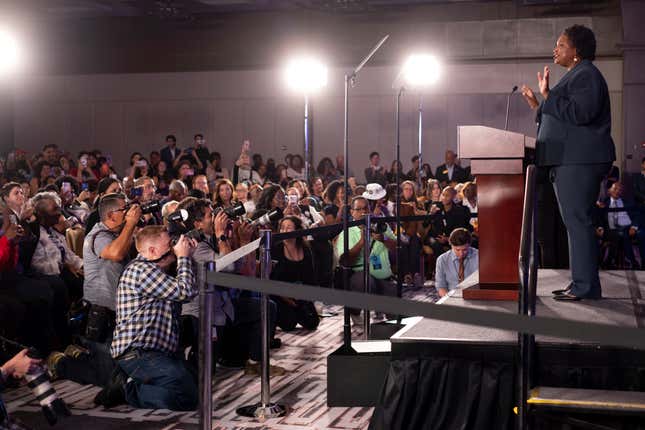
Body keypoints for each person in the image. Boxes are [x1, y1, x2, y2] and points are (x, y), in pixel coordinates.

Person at [521, 24, 615, 301]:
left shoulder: (586, 75)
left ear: (576, 51)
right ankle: (579, 283)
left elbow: (581, 113)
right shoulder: (577, 75)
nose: (556, 49)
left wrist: (548, 96)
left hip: (579, 160)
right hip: (570, 159)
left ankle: (586, 286)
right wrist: (537, 106)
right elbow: (563, 118)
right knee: (574, 224)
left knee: (578, 223)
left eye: (561, 44)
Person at [110, 226, 198, 411]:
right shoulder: (141, 270)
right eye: (169, 244)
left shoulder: (158, 270)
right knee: (187, 397)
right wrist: (183, 257)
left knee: (195, 383)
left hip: (158, 353)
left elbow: (191, 286)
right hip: (138, 353)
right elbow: (185, 291)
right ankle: (127, 389)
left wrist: (187, 257)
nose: (174, 247)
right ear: (152, 251)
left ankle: (139, 384)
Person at [270, 216, 320, 331]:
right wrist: (285, 297)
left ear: (297, 230)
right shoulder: (276, 248)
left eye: (288, 228)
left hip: (300, 293)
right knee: (289, 324)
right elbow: (271, 278)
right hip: (280, 294)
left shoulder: (305, 248)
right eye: (282, 228)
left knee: (313, 323)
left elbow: (310, 277)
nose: (284, 231)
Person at [435, 228, 479, 297]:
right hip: (451, 298)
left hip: (475, 297)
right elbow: (441, 287)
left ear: (469, 245)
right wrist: (449, 301)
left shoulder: (479, 256)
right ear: (451, 245)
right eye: (457, 250)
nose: (461, 254)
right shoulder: (442, 260)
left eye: (465, 250)